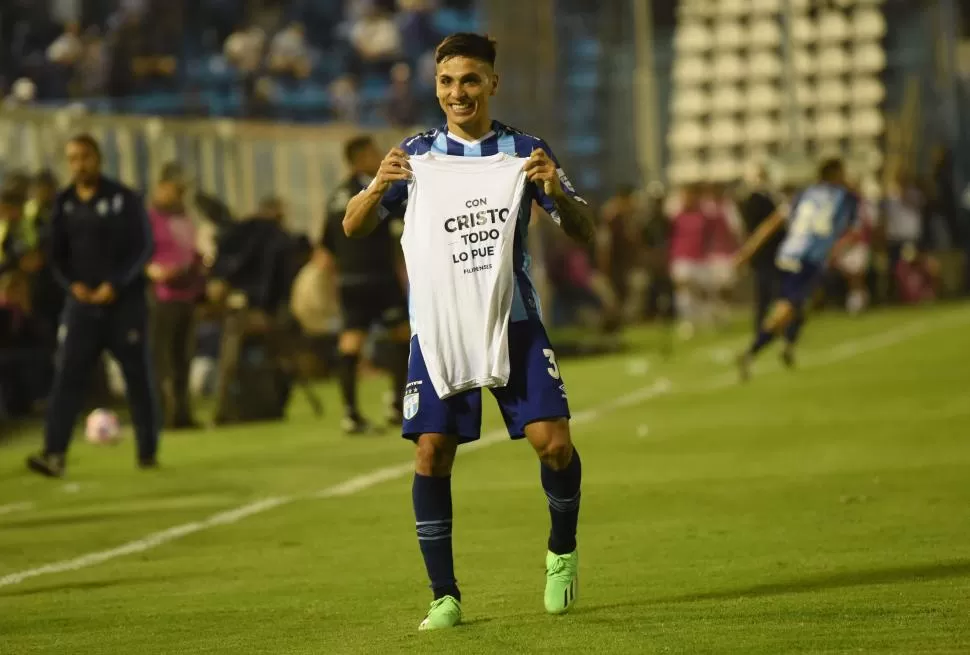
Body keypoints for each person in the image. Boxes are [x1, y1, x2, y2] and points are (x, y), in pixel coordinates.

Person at [341, 33, 595, 630]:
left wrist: (555, 191)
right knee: (432, 453)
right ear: (436, 87)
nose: (459, 93)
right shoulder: (413, 155)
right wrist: (377, 185)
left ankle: (561, 551)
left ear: (492, 84)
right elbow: (354, 226)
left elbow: (582, 229)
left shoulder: (524, 151)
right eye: (448, 82)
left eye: (471, 80)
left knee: (554, 444)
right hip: (439, 328)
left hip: (515, 322)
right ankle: (443, 594)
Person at [27, 134, 161, 477]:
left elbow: (143, 247)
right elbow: (55, 255)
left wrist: (115, 284)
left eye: (84, 157)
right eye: (72, 159)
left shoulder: (122, 198)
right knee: (67, 377)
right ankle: (54, 452)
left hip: (123, 306)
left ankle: (147, 451)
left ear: (98, 158)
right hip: (82, 307)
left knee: (137, 378)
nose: (79, 165)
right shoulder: (64, 203)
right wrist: (72, 285)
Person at [733, 158, 860, 380]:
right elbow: (852, 232)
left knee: (801, 303)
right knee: (787, 309)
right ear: (835, 175)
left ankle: (787, 346)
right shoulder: (844, 198)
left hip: (788, 254)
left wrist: (748, 250)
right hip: (809, 259)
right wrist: (835, 251)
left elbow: (774, 222)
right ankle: (750, 352)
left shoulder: (805, 194)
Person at [319, 135, 411, 434]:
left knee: (351, 343)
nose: (379, 158)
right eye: (373, 154)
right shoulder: (374, 190)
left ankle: (350, 413)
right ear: (359, 159)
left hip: (349, 281)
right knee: (400, 335)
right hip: (378, 277)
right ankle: (397, 405)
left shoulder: (336, 196)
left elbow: (326, 247)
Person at [146, 163, 203, 429]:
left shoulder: (184, 217)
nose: (179, 193)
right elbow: (138, 254)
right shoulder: (149, 218)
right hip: (162, 296)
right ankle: (159, 415)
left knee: (183, 360)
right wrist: (154, 271)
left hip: (186, 294)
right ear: (161, 186)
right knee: (161, 360)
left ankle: (182, 415)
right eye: (174, 188)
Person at [739, 166, 783, 330]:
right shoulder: (755, 199)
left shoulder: (771, 197)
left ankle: (773, 323)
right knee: (765, 291)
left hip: (772, 251)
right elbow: (758, 229)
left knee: (773, 290)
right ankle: (763, 325)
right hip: (764, 252)